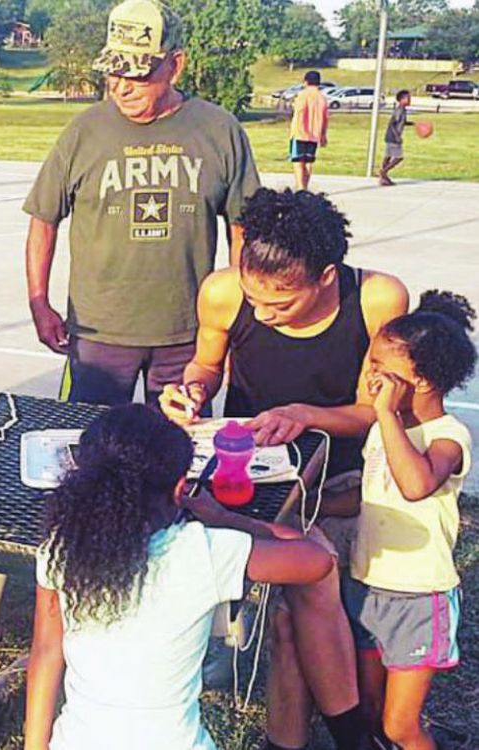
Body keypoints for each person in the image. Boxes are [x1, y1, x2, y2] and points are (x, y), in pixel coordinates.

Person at [159, 188, 409, 750]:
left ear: (326, 276)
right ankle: (343, 738)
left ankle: (305, 738)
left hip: (339, 480)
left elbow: (377, 412)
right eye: (256, 299)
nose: (265, 313)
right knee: (294, 606)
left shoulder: (376, 299)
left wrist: (307, 415)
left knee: (297, 606)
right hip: (249, 477)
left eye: (281, 304)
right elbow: (206, 362)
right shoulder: (223, 292)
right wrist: (192, 391)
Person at [25, 405, 334, 750]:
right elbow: (317, 561)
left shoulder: (61, 549)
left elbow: (46, 652)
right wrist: (225, 517)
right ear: (179, 490)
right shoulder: (201, 551)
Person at [23, 0, 260, 408]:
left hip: (187, 331)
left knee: (173, 447)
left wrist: (237, 314)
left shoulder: (220, 130)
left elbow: (243, 228)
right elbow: (44, 219)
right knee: (87, 443)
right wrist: (39, 302)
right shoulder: (84, 132)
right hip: (98, 333)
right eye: (114, 72)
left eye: (139, 74)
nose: (122, 87)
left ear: (176, 65)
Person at [344, 291, 475, 750]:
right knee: (369, 709)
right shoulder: (386, 429)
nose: (369, 374)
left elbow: (415, 484)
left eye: (380, 366)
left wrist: (383, 415)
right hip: (366, 585)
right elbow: (372, 492)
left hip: (419, 598)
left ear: (418, 379)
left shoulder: (448, 437)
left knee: (401, 725)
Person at [289, 70, 328, 192]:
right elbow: (325, 117)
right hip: (314, 134)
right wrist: (323, 135)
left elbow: (299, 112)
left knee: (298, 160)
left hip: (300, 133)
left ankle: (300, 187)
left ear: (306, 81)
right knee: (309, 162)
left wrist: (297, 129)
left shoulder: (302, 95)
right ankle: (305, 187)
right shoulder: (322, 98)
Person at [379, 90, 413, 187]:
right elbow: (392, 123)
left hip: (390, 135)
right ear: (401, 99)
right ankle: (383, 172)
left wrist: (412, 124)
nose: (410, 100)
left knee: (388, 155)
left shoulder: (402, 109)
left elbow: (401, 122)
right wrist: (397, 136)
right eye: (408, 98)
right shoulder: (400, 110)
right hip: (393, 136)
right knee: (398, 157)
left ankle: (383, 179)